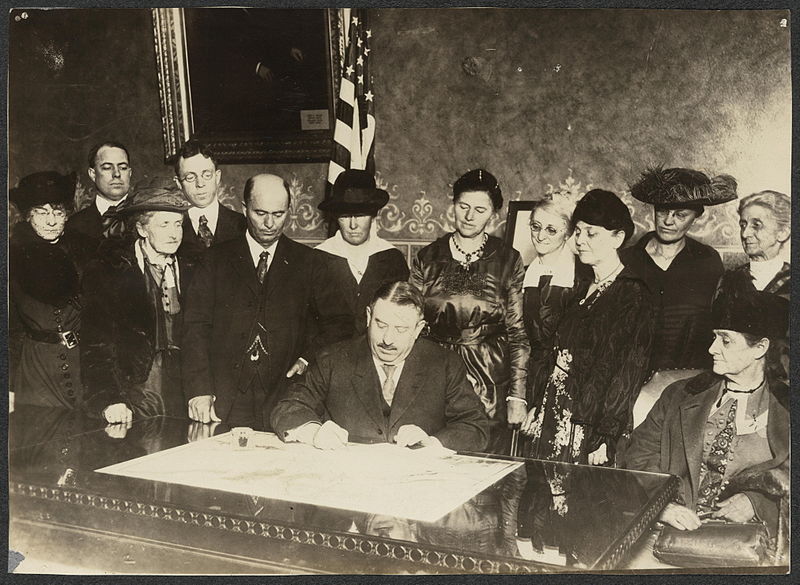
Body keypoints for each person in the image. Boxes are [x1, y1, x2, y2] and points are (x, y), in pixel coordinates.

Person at [626, 291, 789, 560]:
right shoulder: (679, 395)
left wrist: (756, 503)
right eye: (714, 337)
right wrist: (662, 507)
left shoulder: (787, 409)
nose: (712, 348)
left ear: (760, 348)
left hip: (753, 544)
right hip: (668, 537)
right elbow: (638, 456)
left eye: (725, 340)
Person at [181, 174, 348, 431]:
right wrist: (199, 389)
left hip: (287, 401)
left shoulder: (311, 263)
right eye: (260, 213)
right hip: (223, 401)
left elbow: (339, 325)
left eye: (279, 214)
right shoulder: (214, 260)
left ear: (289, 210)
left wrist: (307, 358)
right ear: (244, 207)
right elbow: (195, 328)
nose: (270, 223)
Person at [271, 281, 489, 452]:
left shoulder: (444, 364)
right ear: (368, 317)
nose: (387, 339)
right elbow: (288, 407)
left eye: (401, 329)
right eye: (380, 324)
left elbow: (476, 426)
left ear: (418, 329)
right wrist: (314, 432)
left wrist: (432, 443)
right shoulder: (334, 359)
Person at [524, 189, 654, 466]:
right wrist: (536, 405)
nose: (581, 240)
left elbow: (628, 371)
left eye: (591, 233)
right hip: (553, 411)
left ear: (618, 238)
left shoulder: (633, 294)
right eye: (578, 232)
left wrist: (607, 434)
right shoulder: (580, 287)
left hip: (590, 423)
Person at [410, 169, 529, 455]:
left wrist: (518, 395)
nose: (469, 216)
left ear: (493, 215)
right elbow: (410, 320)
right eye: (463, 207)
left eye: (480, 209)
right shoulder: (428, 257)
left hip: (488, 373)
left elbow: (517, 332)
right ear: (452, 206)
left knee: (482, 461)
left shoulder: (507, 259)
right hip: (435, 369)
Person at [81, 185, 194, 423]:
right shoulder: (108, 272)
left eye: (178, 224)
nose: (174, 234)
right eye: (164, 224)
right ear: (142, 229)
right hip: (134, 394)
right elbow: (96, 347)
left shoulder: (194, 267)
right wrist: (110, 399)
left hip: (187, 391)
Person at [622, 167, 737, 370]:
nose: (668, 221)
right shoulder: (626, 259)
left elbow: (719, 322)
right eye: (663, 211)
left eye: (680, 215)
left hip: (688, 379)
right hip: (628, 376)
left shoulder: (708, 260)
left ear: (696, 217)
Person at [9, 171, 95, 409]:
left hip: (82, 362)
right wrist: (7, 386)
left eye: (58, 213)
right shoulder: (13, 258)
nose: (51, 221)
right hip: (36, 367)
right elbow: (10, 328)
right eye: (42, 213)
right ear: (28, 217)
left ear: (67, 216)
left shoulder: (86, 254)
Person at [518, 195, 586, 444]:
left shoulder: (581, 280)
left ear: (568, 233)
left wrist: (541, 402)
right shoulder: (524, 274)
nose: (541, 236)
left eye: (551, 229)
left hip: (565, 383)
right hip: (528, 379)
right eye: (535, 227)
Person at [316, 169, 409, 337]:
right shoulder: (317, 258)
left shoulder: (392, 258)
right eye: (345, 216)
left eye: (360, 215)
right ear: (336, 217)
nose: (353, 225)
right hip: (328, 355)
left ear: (373, 215)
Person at [173, 139, 246, 256]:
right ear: (178, 183)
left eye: (207, 175)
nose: (200, 184)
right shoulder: (171, 227)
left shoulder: (243, 224)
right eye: (190, 177)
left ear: (217, 177)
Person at [715, 190, 790, 302]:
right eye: (743, 225)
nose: (745, 234)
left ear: (782, 233)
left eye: (756, 225)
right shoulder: (729, 281)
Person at [66, 141, 133, 240]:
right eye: (107, 168)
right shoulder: (73, 225)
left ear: (130, 173)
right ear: (93, 174)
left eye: (123, 168)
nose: (117, 174)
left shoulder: (148, 217)